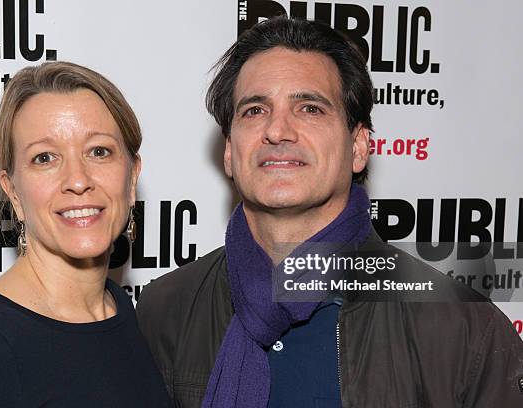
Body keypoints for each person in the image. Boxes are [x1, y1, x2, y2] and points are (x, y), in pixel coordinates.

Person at [136, 17, 523, 408]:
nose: (278, 130)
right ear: (229, 152)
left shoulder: (462, 328)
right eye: (255, 110)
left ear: (358, 147)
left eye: (310, 108)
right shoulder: (166, 312)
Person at [0, 62, 171, 407]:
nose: (78, 180)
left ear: (131, 178)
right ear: (13, 192)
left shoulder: (119, 308)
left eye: (99, 151)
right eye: (45, 158)